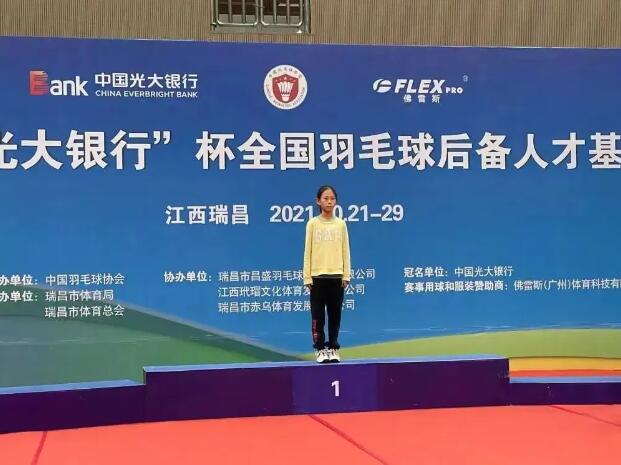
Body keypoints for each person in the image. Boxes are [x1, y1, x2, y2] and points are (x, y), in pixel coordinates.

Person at [303, 185, 351, 363]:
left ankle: (333, 348)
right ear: (318, 201)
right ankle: (320, 349)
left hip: (337, 277)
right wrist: (307, 276)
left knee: (335, 315)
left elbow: (345, 250)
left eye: (332, 198)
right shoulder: (313, 224)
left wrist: (346, 275)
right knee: (318, 316)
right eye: (326, 198)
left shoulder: (341, 224)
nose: (329, 202)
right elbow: (307, 251)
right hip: (317, 277)